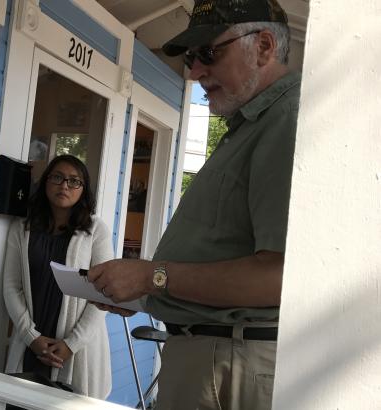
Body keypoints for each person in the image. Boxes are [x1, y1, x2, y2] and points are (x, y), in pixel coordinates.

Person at [88, 1, 299, 409]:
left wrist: (154, 278)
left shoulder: (285, 120)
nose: (194, 71)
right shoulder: (252, 125)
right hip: (218, 361)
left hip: (231, 366)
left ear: (265, 46)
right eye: (190, 57)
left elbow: (280, 277)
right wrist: (139, 292)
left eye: (209, 52)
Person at [3, 155, 112, 399]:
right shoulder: (22, 228)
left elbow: (104, 293)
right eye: (57, 177)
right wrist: (32, 338)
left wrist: (71, 344)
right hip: (32, 344)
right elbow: (12, 287)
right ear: (45, 182)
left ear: (83, 190)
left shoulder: (96, 231)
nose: (64, 185)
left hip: (77, 351)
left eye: (74, 181)